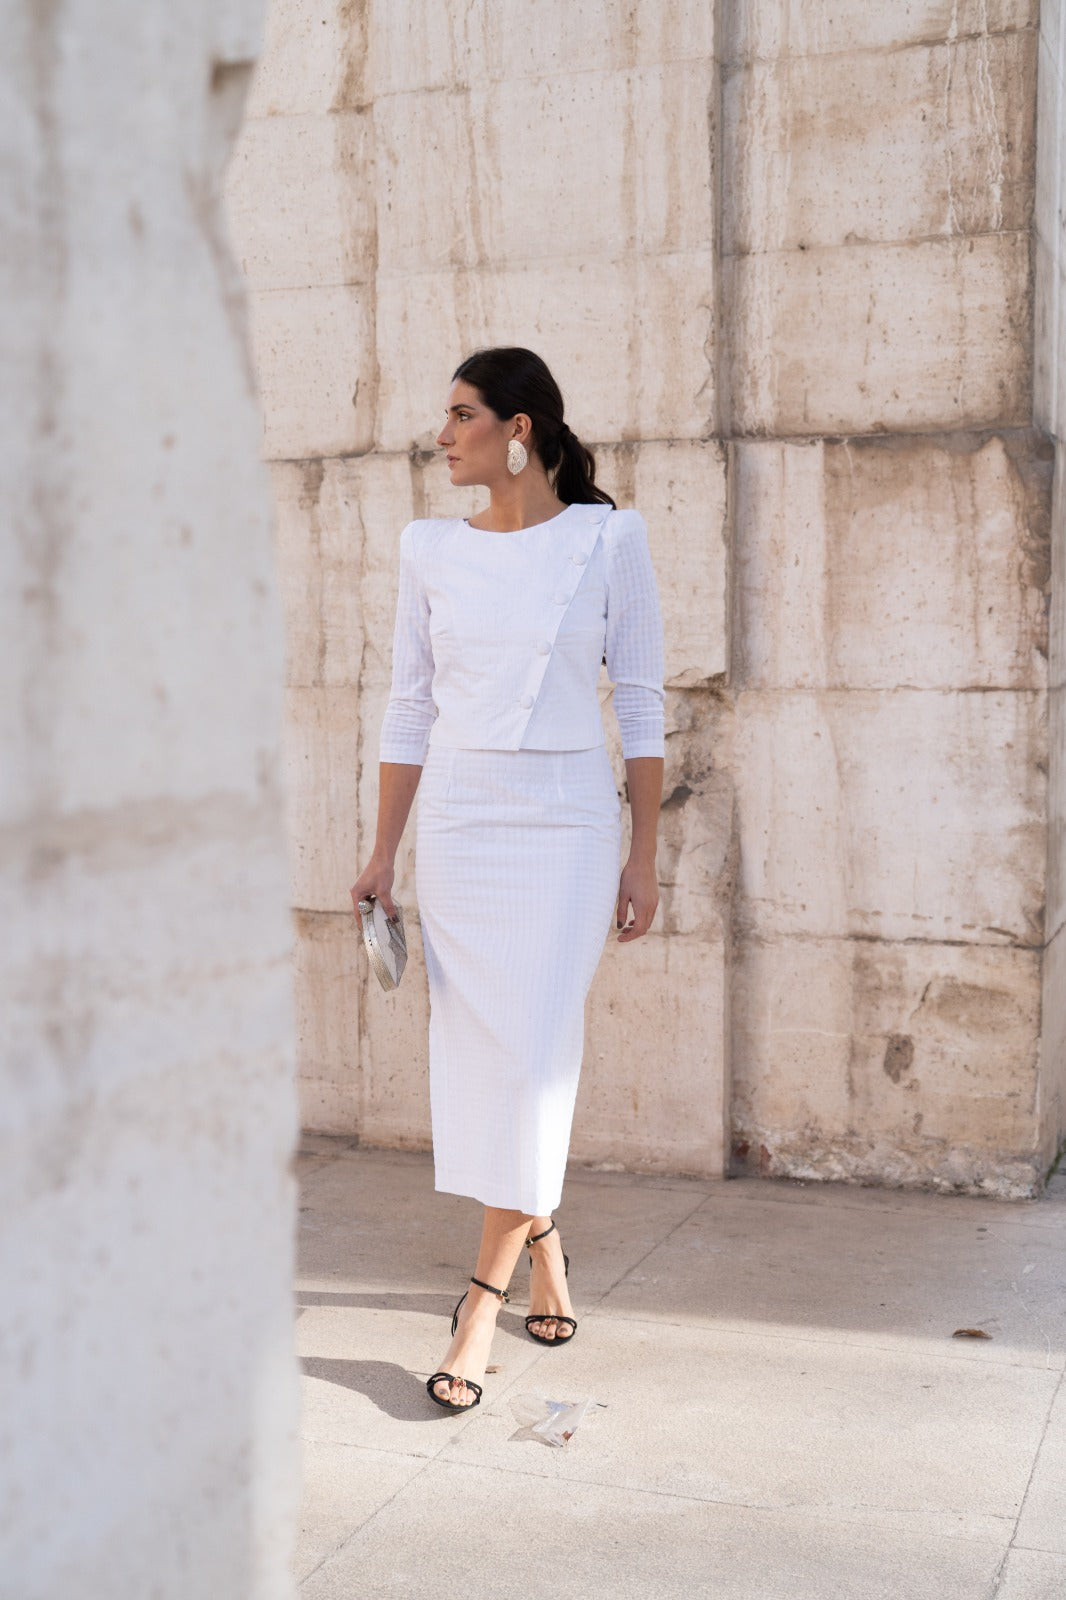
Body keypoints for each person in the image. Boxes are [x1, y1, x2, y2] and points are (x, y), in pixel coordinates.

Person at [350, 346, 665, 1413]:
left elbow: (643, 700)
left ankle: (479, 1304)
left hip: (569, 822)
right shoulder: (429, 548)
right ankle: (544, 1249)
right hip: (462, 822)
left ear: (518, 428)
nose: (443, 435)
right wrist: (383, 852)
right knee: (487, 1057)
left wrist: (644, 851)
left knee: (534, 1054)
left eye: (462, 415)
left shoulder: (608, 538)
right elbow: (410, 707)